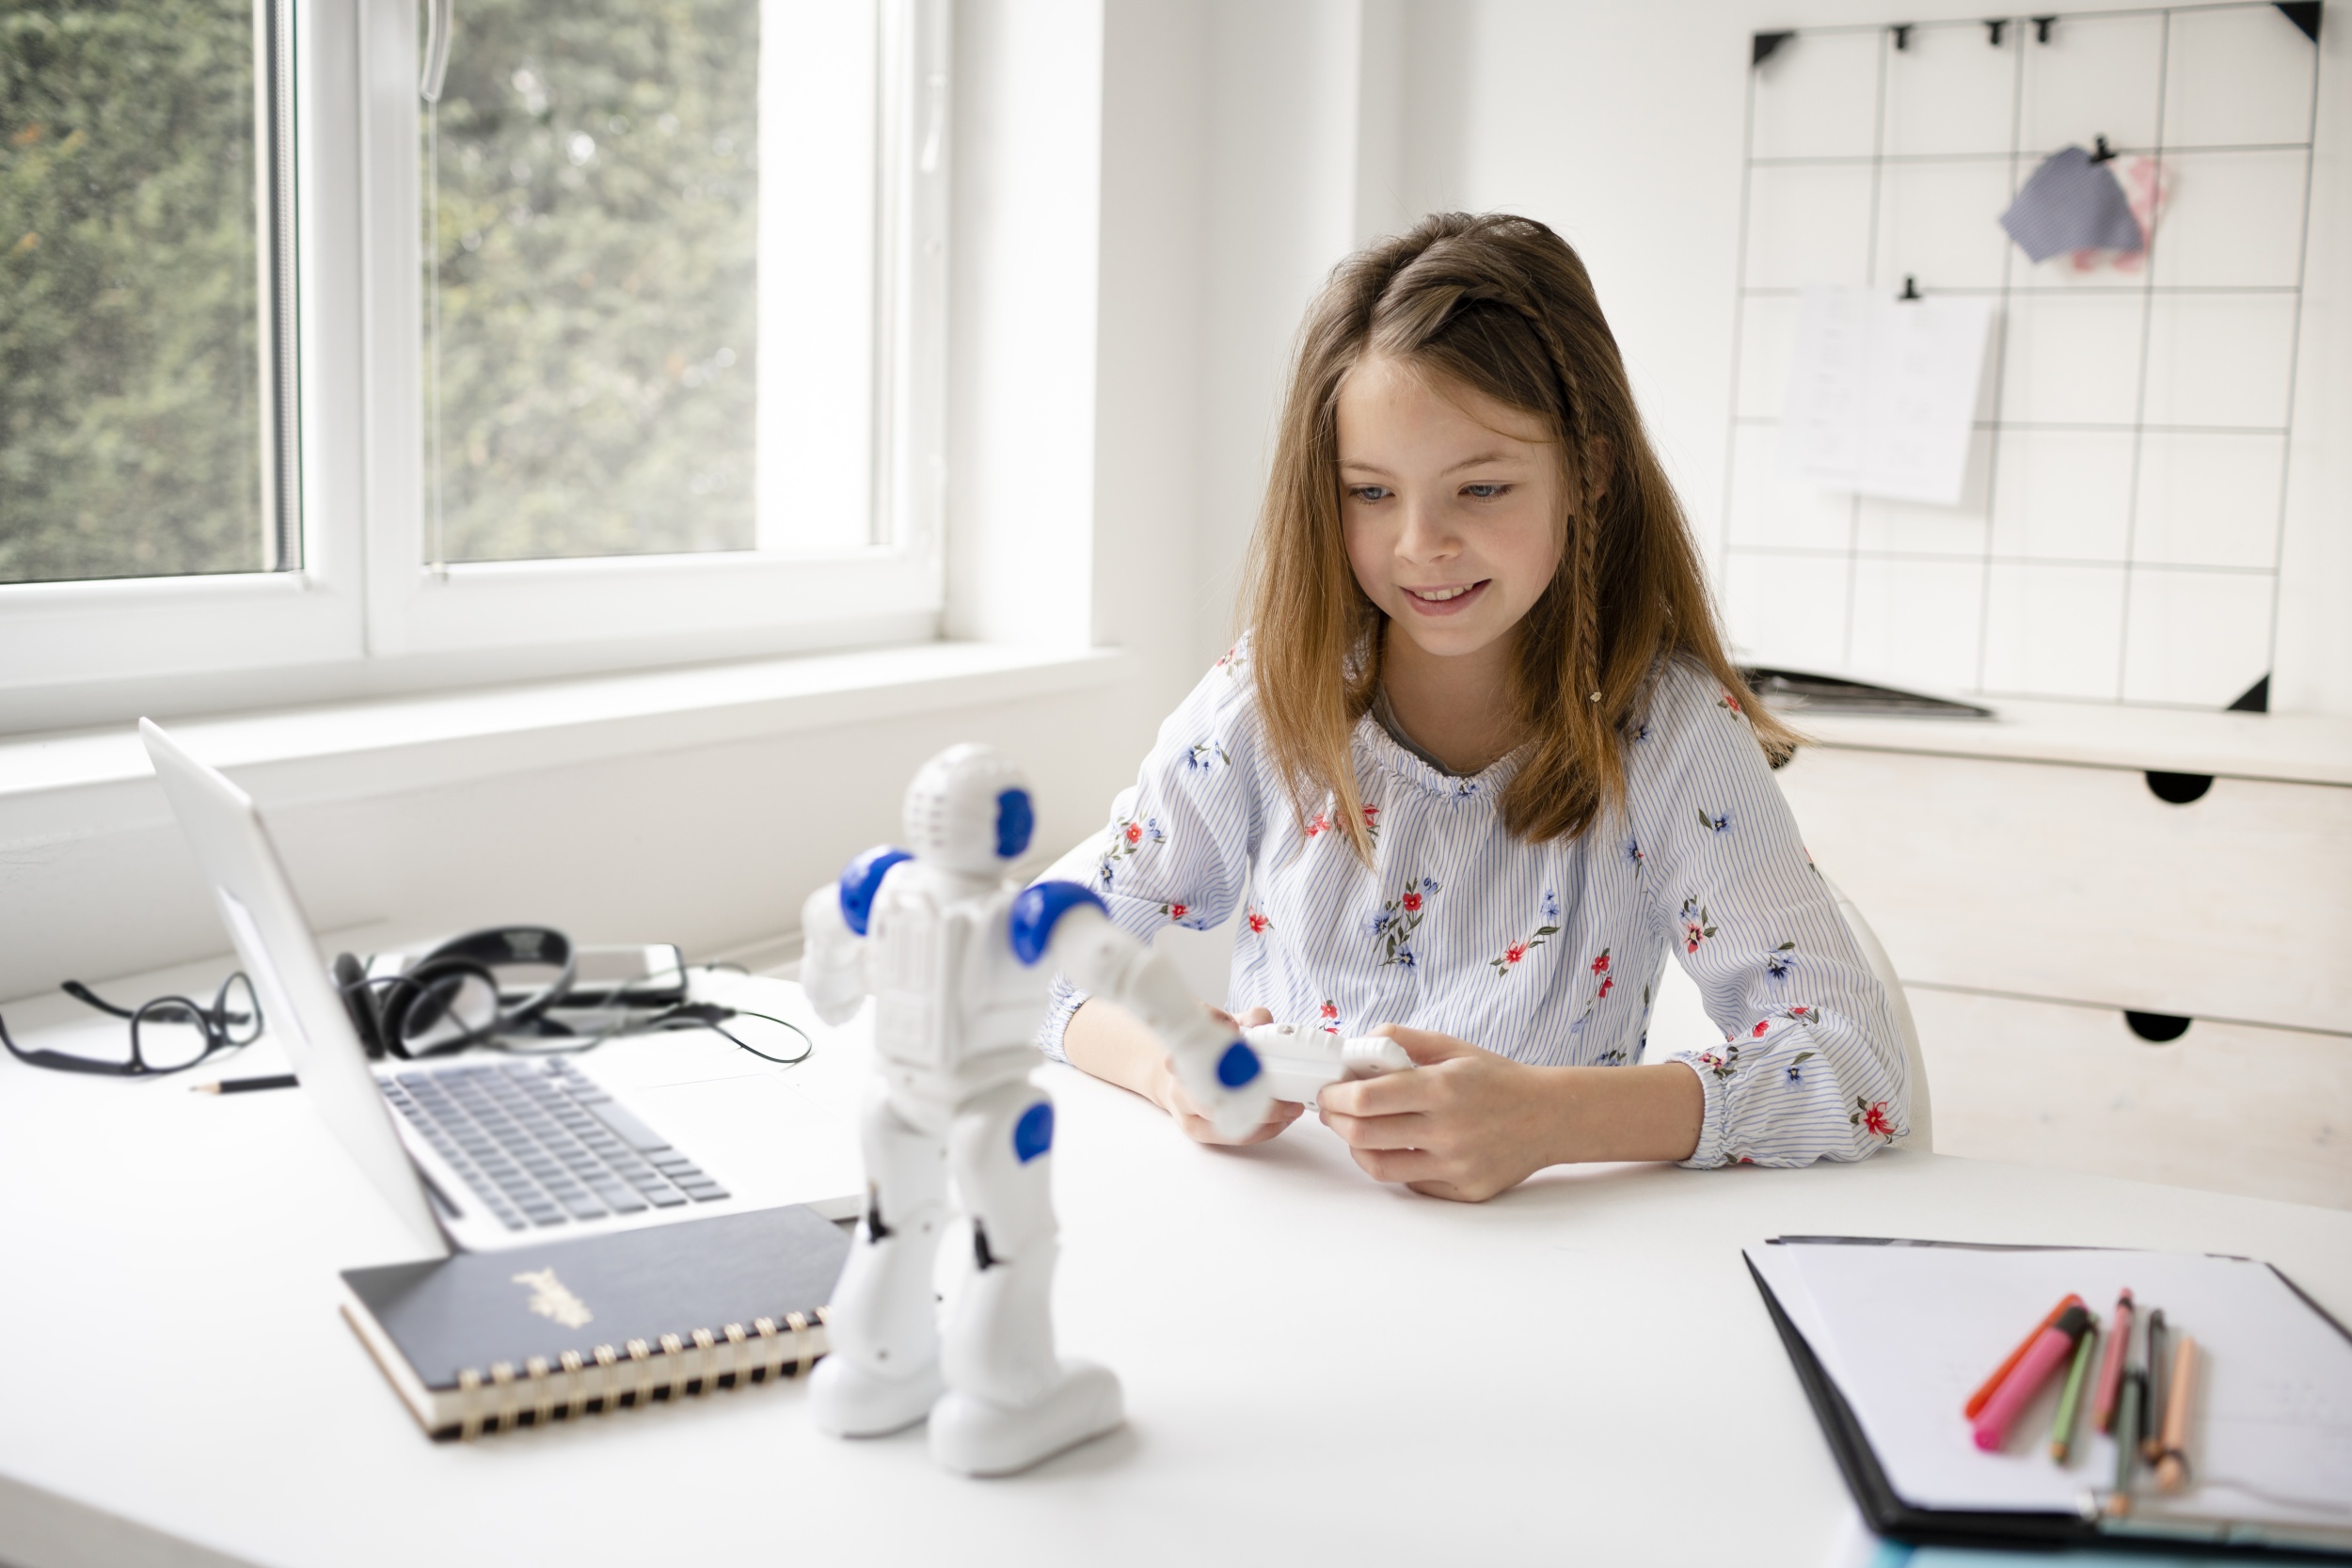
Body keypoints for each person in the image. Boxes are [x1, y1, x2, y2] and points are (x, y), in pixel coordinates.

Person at [1042, 212, 1908, 1202]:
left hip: (1538, 1262)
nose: (1421, 544)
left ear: (1588, 473)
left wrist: (1553, 1118)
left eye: (1482, 488)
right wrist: (1166, 1065)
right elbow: (1034, 957)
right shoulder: (1267, 694)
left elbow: (1854, 1066)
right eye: (1370, 493)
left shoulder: (1668, 734)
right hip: (1282, 1238)